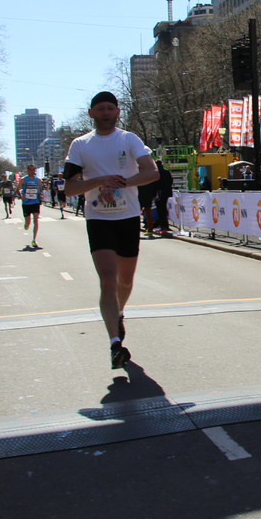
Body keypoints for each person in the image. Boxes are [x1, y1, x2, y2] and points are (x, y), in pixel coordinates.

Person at [63, 91, 157, 370]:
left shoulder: (129, 139)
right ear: (91, 113)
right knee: (107, 278)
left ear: (117, 112)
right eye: (100, 109)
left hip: (127, 217)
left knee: (125, 281)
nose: (105, 113)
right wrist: (99, 181)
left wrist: (120, 183)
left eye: (110, 109)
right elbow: (69, 188)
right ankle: (115, 343)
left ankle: (119, 312)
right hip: (98, 219)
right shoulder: (80, 145)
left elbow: (151, 172)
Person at [18, 164, 42, 248]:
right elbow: (17, 190)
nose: (32, 172)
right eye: (30, 170)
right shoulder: (23, 180)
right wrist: (21, 195)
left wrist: (41, 196)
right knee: (28, 222)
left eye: (33, 170)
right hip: (26, 203)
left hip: (35, 202)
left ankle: (34, 239)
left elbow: (40, 190)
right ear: (27, 171)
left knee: (36, 220)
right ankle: (26, 224)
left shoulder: (38, 180)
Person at [154, 160, 174, 233]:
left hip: (159, 193)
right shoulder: (166, 172)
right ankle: (165, 224)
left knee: (160, 209)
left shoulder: (156, 172)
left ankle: (162, 225)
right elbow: (171, 181)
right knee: (164, 209)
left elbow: (155, 184)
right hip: (166, 193)